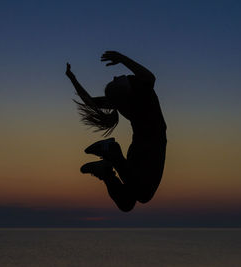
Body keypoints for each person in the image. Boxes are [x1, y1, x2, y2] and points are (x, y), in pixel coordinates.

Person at [66, 51, 167, 212]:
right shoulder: (141, 91)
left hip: (140, 150)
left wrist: (72, 78)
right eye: (114, 81)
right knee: (143, 195)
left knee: (126, 203)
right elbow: (150, 77)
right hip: (152, 148)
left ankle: (105, 171)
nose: (114, 77)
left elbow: (89, 101)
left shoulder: (122, 101)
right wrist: (120, 58)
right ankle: (111, 151)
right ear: (124, 89)